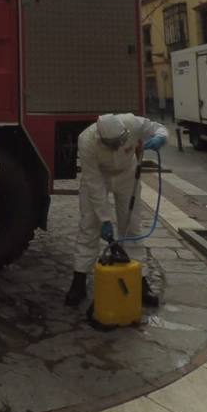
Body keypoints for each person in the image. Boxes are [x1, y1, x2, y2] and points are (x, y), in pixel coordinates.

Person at [65, 113, 168, 309]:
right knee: (89, 227)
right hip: (98, 178)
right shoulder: (86, 140)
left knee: (132, 228)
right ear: (100, 139)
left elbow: (158, 128)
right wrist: (105, 219)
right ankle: (78, 282)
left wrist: (161, 137)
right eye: (112, 144)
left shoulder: (132, 122)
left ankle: (140, 282)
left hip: (127, 176)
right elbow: (94, 184)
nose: (118, 148)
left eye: (120, 142)